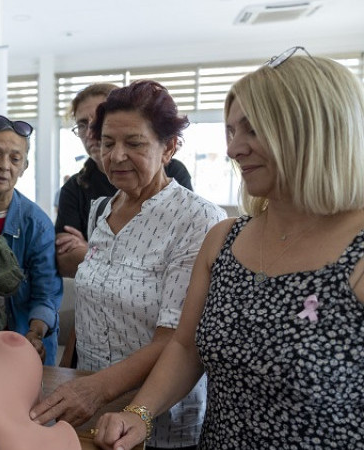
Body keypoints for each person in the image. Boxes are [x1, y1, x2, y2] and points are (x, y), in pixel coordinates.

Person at [93, 50, 364, 450]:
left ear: (316, 130)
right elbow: (186, 348)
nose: (235, 149)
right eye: (232, 132)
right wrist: (140, 413)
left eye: (254, 131)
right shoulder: (224, 239)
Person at [30, 80, 226, 450]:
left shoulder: (197, 218)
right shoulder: (101, 210)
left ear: (169, 147)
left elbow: (176, 340)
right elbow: (94, 304)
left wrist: (96, 389)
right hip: (89, 409)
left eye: (134, 143)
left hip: (158, 418)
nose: (116, 156)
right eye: (107, 143)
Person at [55, 83, 193, 277]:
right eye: (83, 124)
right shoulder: (75, 188)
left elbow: (178, 260)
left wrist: (93, 250)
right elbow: (65, 261)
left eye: (134, 143)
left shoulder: (174, 175)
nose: (90, 133)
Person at [0, 114, 63, 365]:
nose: (4, 165)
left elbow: (46, 295)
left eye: (15, 158)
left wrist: (34, 335)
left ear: (24, 167)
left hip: (21, 344)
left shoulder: (38, 225)